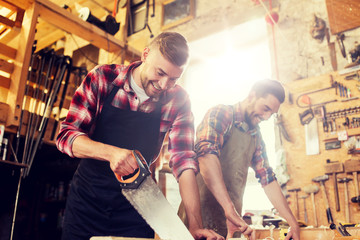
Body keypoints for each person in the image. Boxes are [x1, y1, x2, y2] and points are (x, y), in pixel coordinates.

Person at [56, 32, 223, 240]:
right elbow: (67, 136)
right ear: (145, 55)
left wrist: (195, 225)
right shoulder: (103, 78)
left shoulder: (179, 100)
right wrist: (111, 153)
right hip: (87, 203)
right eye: (160, 73)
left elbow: (184, 161)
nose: (164, 85)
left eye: (173, 79)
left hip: (137, 208)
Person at [180, 79, 300, 240]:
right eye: (265, 109)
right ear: (252, 96)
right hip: (198, 221)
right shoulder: (221, 114)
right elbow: (206, 158)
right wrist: (229, 208)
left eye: (271, 114)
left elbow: (267, 179)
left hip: (230, 224)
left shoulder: (255, 136)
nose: (266, 117)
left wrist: (293, 223)